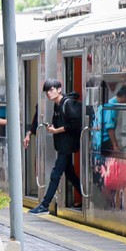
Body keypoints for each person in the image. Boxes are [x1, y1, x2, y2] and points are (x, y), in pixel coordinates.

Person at [30, 79, 82, 215]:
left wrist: (56, 130)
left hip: (67, 145)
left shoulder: (67, 104)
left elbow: (75, 125)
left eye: (51, 89)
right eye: (46, 91)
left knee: (55, 174)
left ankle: (45, 204)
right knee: (70, 174)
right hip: (62, 145)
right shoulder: (57, 105)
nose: (48, 93)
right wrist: (52, 127)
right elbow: (59, 123)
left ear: (59, 89)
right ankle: (84, 196)